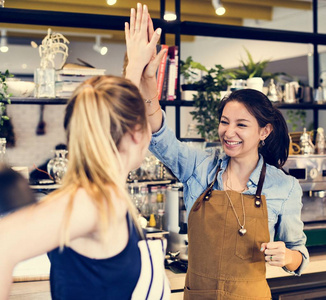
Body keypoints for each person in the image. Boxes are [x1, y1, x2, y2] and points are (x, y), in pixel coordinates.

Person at [125, 3, 309, 299]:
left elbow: (298, 253)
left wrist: (287, 257)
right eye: (224, 122)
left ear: (264, 131)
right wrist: (145, 80)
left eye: (241, 125)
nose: (229, 132)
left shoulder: (283, 187)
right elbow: (158, 133)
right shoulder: (199, 166)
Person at [0, 75, 170, 299]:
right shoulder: (95, 201)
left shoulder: (107, 192)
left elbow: (114, 118)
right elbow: (4, 242)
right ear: (137, 133)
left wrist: (138, 69)